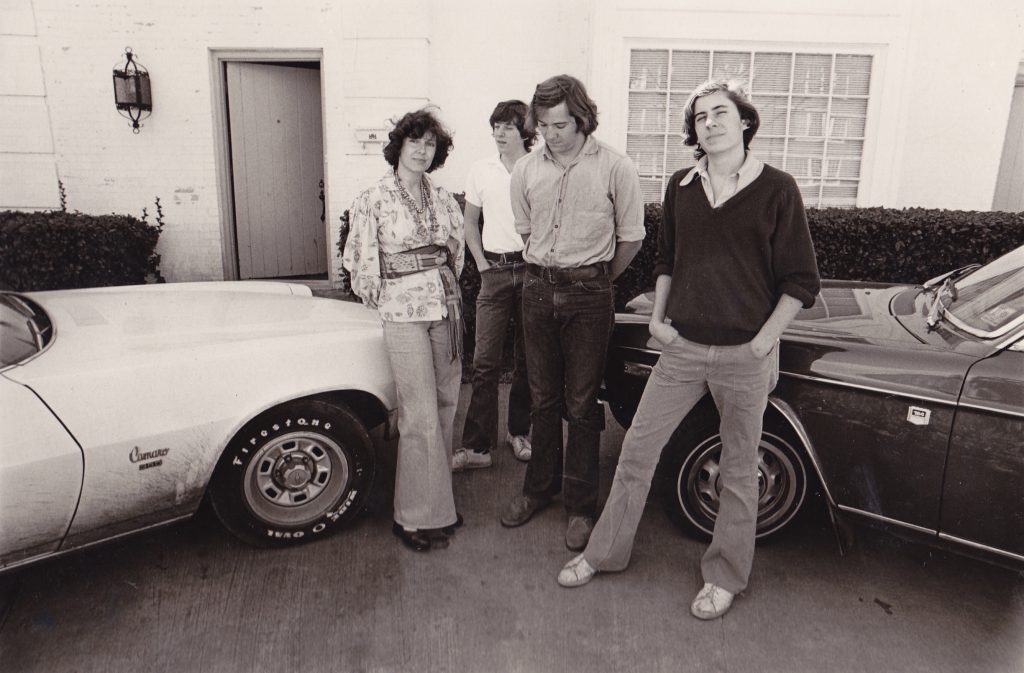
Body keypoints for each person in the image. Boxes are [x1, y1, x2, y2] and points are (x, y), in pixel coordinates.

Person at [555, 79, 820, 620]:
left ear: (745, 121)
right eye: (701, 117)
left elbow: (800, 280)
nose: (710, 123)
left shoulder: (777, 188)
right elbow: (667, 260)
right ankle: (604, 554)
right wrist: (658, 320)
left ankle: (724, 576)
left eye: (721, 113)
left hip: (745, 355)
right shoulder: (681, 186)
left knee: (739, 471)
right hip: (681, 351)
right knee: (636, 452)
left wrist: (763, 342)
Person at [499, 75, 644, 552]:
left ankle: (581, 506)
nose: (550, 135)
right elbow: (527, 231)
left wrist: (595, 278)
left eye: (560, 125)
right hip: (538, 291)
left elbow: (632, 237)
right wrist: (553, 272)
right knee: (542, 399)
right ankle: (538, 489)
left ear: (582, 118)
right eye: (542, 126)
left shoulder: (616, 167)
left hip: (589, 296)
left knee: (581, 404)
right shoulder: (526, 169)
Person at [342, 108, 465, 553]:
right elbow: (359, 259)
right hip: (403, 312)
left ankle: (438, 504)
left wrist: (442, 279)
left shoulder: (443, 197)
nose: (422, 150)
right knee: (418, 414)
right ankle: (413, 516)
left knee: (446, 403)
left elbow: (455, 249)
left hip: (445, 308)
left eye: (431, 144)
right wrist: (386, 292)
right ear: (399, 146)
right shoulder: (373, 198)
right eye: (415, 141)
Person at [452, 100, 535, 472]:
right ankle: (476, 447)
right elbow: (470, 223)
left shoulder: (538, 167)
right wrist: (483, 266)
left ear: (524, 131)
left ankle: (519, 433)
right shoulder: (481, 169)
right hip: (495, 272)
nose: (499, 134)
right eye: (495, 127)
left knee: (528, 360)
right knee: (484, 362)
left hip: (531, 272)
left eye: (507, 127)